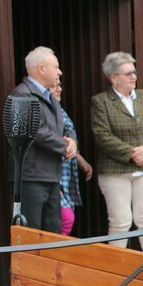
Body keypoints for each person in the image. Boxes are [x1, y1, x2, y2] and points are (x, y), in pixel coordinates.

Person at [90, 52, 143, 250]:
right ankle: (118, 272)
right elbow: (102, 136)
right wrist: (132, 153)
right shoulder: (101, 102)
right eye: (128, 73)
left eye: (134, 72)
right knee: (120, 222)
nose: (134, 77)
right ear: (113, 77)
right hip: (115, 172)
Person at [6, 46, 77, 233]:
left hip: (51, 175)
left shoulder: (50, 97)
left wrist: (72, 142)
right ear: (41, 69)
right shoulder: (21, 94)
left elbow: (65, 126)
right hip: (30, 177)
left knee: (52, 231)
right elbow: (34, 130)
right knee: (31, 232)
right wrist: (64, 146)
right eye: (56, 67)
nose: (59, 72)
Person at [50, 82, 92, 236]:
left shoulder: (59, 110)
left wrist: (80, 159)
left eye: (59, 85)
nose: (59, 89)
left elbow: (67, 138)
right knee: (66, 218)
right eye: (54, 86)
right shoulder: (45, 111)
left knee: (63, 220)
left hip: (65, 175)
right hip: (51, 174)